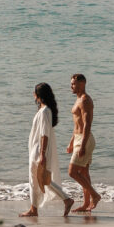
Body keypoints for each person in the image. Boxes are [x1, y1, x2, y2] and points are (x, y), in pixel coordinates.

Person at [22, 82, 70, 219]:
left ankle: (33, 209)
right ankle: (66, 199)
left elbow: (44, 134)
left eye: (34, 92)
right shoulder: (45, 110)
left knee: (36, 179)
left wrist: (42, 154)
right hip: (38, 149)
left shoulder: (44, 112)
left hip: (38, 150)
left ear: (38, 95)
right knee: (43, 179)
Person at [68, 72, 99, 212]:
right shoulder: (78, 99)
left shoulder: (85, 100)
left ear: (83, 84)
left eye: (74, 83)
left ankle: (95, 195)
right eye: (71, 83)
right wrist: (71, 142)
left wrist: (83, 145)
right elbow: (77, 124)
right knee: (84, 173)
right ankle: (86, 204)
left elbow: (87, 124)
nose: (71, 86)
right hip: (79, 138)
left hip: (84, 139)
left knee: (72, 172)